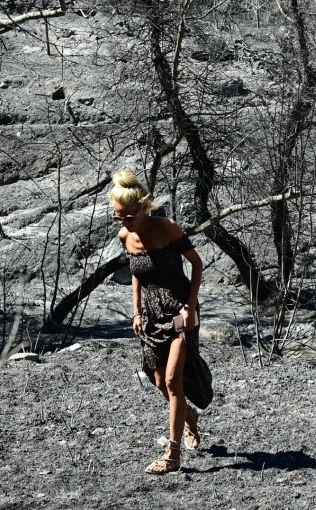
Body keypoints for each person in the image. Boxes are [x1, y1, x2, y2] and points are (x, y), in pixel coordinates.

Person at [109, 170, 213, 475]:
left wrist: (190, 309)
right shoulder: (124, 237)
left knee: (171, 380)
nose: (123, 223)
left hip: (180, 309)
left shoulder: (167, 228)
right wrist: (137, 312)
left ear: (143, 208)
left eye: (127, 216)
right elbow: (137, 275)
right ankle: (188, 416)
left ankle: (172, 454)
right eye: (118, 218)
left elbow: (196, 264)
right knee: (157, 381)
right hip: (151, 315)